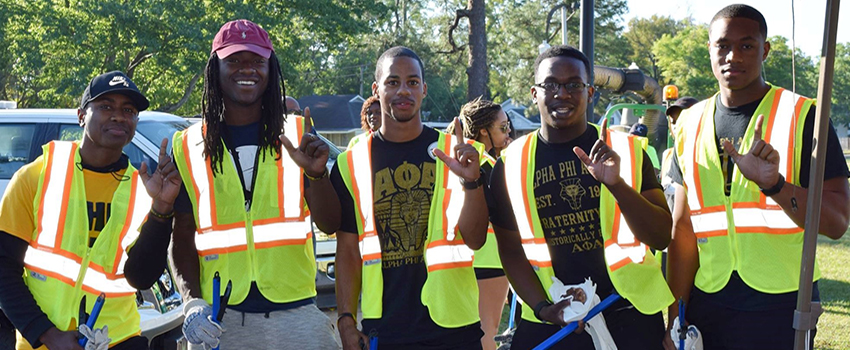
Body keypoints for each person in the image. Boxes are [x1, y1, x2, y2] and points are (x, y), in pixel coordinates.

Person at [664, 5, 850, 350]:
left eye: (747, 46)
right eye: (722, 45)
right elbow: (684, 228)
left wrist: (774, 185)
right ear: (709, 49)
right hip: (708, 302)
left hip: (783, 304)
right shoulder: (688, 123)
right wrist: (677, 312)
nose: (733, 55)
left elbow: (837, 223)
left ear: (765, 50)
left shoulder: (804, 115)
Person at [488, 45, 674, 350]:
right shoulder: (510, 164)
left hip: (629, 317)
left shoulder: (626, 151)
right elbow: (510, 250)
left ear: (590, 93)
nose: (562, 93)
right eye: (551, 85)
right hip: (554, 320)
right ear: (534, 93)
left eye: (574, 84)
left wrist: (617, 186)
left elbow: (661, 236)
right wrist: (541, 308)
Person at [170, 19, 340, 349]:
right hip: (220, 321)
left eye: (256, 61)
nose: (246, 69)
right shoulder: (187, 145)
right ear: (214, 69)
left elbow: (330, 223)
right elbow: (181, 238)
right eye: (233, 60)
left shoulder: (299, 133)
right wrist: (192, 303)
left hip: (297, 318)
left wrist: (317, 175)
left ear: (270, 69)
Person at [0, 71, 181, 350]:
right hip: (46, 342)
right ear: (81, 115)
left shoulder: (143, 190)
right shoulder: (36, 176)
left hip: (119, 338)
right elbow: (3, 268)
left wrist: (162, 209)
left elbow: (141, 277)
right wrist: (47, 334)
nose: (119, 116)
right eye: (106, 106)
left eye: (129, 110)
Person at [333, 46, 490, 350]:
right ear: (376, 89)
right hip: (386, 328)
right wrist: (346, 319)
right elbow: (349, 250)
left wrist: (472, 183)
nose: (403, 90)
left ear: (424, 89)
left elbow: (475, 239)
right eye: (393, 82)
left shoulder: (459, 154)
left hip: (454, 326)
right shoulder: (351, 163)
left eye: (412, 82)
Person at [446, 97, 512, 350]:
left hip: (461, 258)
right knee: (487, 332)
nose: (509, 132)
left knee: (470, 330)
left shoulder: (460, 160)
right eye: (503, 127)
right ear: (484, 130)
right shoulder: (487, 165)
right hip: (489, 259)